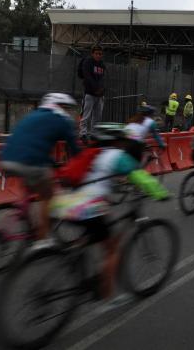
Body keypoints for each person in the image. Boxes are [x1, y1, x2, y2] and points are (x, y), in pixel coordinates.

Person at [50, 123, 168, 301]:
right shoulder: (116, 156)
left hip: (65, 203)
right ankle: (107, 296)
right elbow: (141, 177)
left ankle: (75, 261)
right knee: (112, 248)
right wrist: (161, 193)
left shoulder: (89, 153)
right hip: (88, 207)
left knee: (93, 234)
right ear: (118, 140)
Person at [0, 93, 80, 239]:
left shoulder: (32, 115)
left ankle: (22, 214)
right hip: (31, 162)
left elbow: (33, 144)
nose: (68, 112)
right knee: (49, 196)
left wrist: (52, 163)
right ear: (60, 106)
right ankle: (42, 240)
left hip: (6, 158)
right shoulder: (61, 120)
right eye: (66, 108)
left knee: (30, 187)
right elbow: (74, 149)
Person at [79, 47, 106, 143]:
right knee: (86, 114)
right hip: (90, 93)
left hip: (100, 95)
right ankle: (83, 134)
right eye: (97, 53)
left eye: (100, 54)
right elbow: (87, 76)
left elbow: (103, 78)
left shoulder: (102, 65)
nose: (98, 55)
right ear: (92, 54)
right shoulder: (88, 62)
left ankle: (94, 134)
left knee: (97, 116)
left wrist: (102, 89)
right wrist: (96, 88)